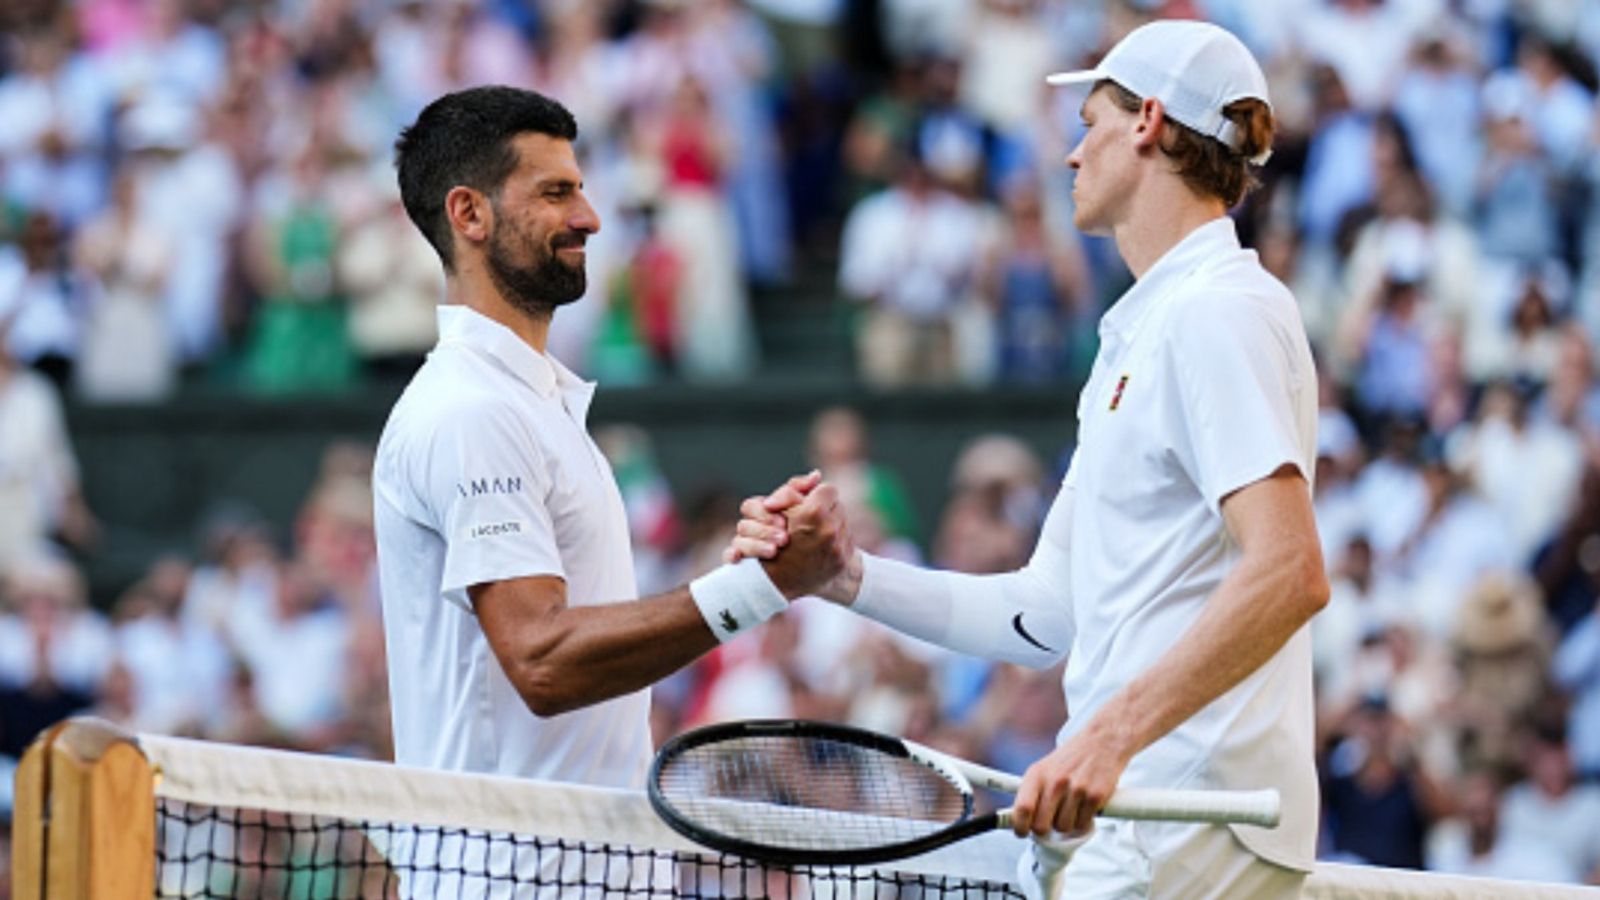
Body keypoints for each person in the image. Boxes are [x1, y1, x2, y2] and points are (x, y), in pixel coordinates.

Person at [732, 20, 1327, 898]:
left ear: (1149, 123)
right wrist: (848, 577)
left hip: (1184, 815)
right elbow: (1042, 616)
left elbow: (1290, 571)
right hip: (1146, 820)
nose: (1070, 154)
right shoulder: (1147, 331)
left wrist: (1110, 735)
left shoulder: (1215, 311)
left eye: (1090, 122)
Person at [374, 86, 845, 790]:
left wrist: (749, 567)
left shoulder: (529, 402)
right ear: (469, 213)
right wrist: (757, 588)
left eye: (582, 190)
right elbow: (541, 658)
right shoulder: (470, 411)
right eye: (556, 192)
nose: (589, 218)